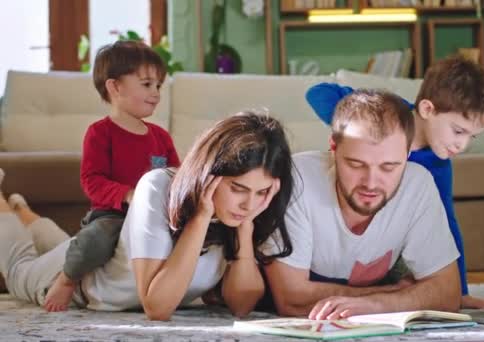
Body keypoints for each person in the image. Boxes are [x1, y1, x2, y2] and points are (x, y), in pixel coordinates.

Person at [0, 111, 295, 320]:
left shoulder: (245, 212)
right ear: (209, 174)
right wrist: (201, 217)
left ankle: (23, 210)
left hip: (79, 251)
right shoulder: (158, 186)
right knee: (18, 266)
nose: (248, 203)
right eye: (238, 188)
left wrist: (245, 231)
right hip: (71, 283)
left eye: (261, 192)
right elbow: (157, 307)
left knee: (62, 242)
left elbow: (241, 306)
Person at [304, 55, 484, 309]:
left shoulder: (438, 165)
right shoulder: (387, 111)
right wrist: (359, 131)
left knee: (419, 285)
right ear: (427, 109)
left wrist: (460, 292)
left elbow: (446, 225)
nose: (462, 145)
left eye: (471, 137)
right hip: (340, 222)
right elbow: (317, 92)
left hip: (387, 247)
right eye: (458, 131)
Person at [264, 89, 462, 320]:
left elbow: (448, 294)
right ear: (334, 148)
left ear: (407, 154)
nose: (371, 183)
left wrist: (376, 305)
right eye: (356, 164)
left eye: (389, 167)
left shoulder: (418, 183)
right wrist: (398, 294)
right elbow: (291, 300)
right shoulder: (296, 179)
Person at [44, 40, 181, 312]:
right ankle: (67, 279)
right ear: (115, 87)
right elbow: (92, 181)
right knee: (95, 239)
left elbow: (174, 176)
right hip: (113, 215)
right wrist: (128, 195)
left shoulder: (161, 137)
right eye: (146, 84)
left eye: (158, 86)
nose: (155, 92)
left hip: (156, 215)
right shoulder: (100, 133)